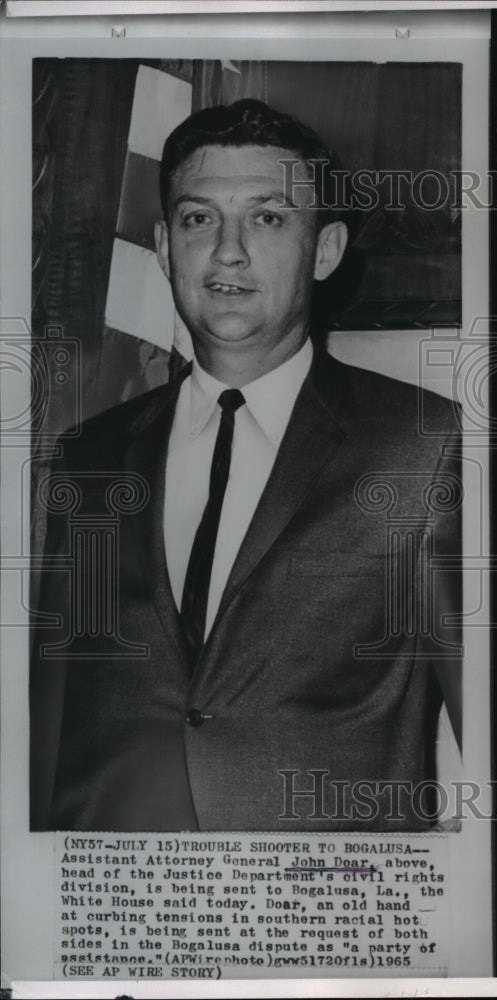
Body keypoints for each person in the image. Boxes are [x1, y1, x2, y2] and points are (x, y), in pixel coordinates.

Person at [30, 99, 461, 833]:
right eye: (200, 219)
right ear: (165, 248)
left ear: (324, 251)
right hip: (116, 911)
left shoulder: (425, 444)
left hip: (323, 917)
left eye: (267, 218)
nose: (228, 252)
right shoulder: (88, 456)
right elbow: (46, 724)